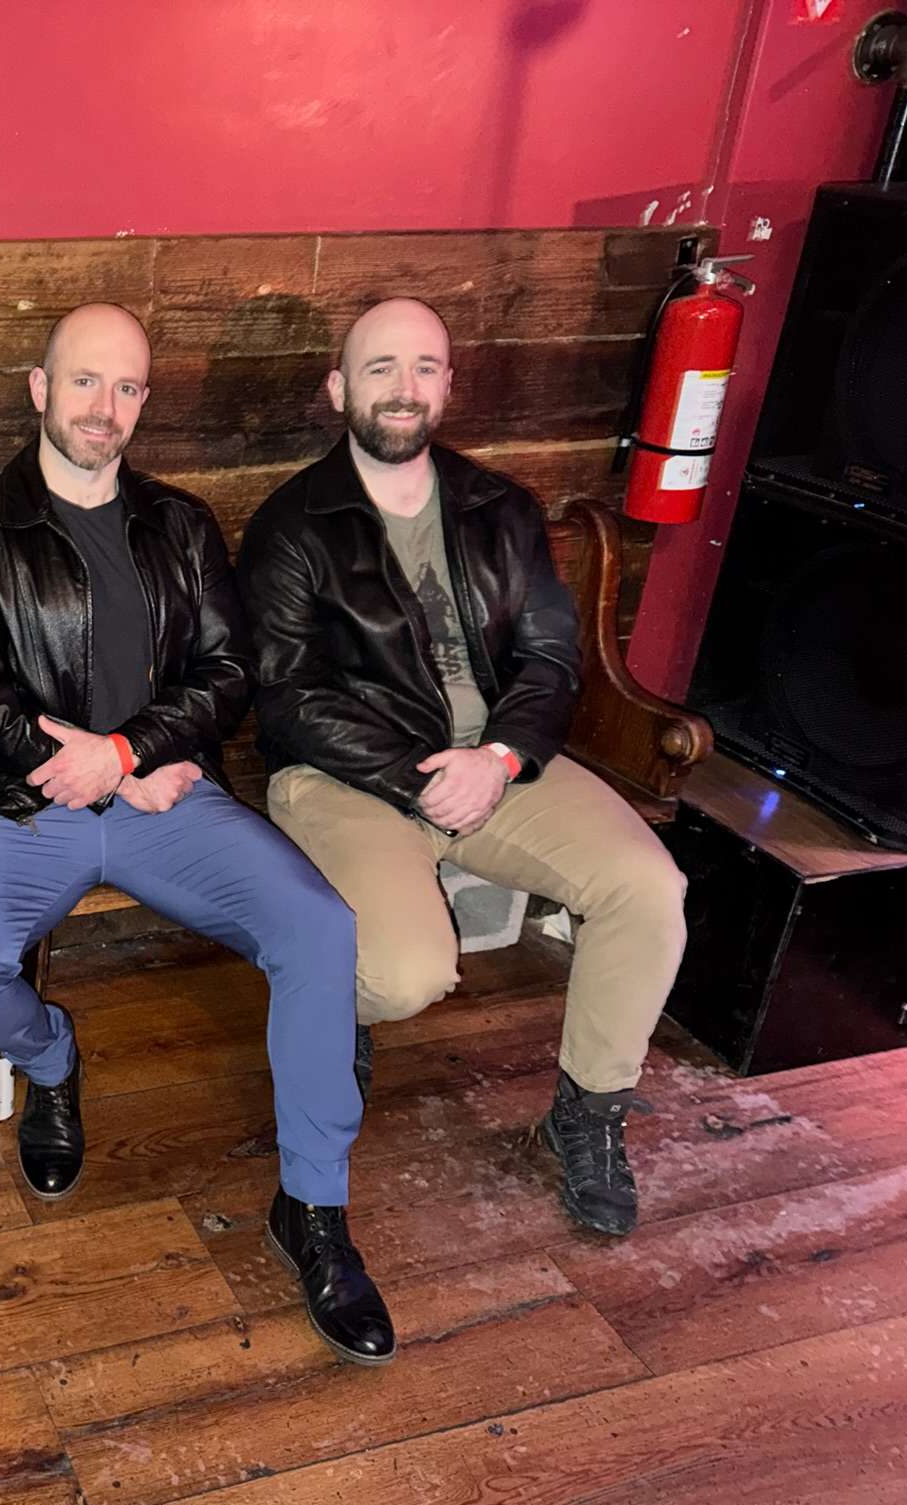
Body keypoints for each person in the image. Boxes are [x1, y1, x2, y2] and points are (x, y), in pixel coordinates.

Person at [0, 302, 395, 1367]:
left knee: (319, 930)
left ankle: (311, 1210)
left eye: (126, 387)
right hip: (29, 806)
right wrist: (86, 765)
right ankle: (51, 1059)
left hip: (167, 803)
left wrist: (127, 755)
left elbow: (228, 674)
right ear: (39, 391)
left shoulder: (178, 525)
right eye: (83, 382)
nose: (104, 408)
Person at [235, 297, 688, 1237]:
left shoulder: (501, 509)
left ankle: (587, 1115)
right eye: (380, 368)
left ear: (449, 383)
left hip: (496, 764)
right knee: (403, 975)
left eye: (425, 368)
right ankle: (334, 1004)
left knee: (650, 888)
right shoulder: (294, 525)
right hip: (347, 774)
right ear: (338, 389)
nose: (404, 389)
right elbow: (286, 696)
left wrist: (500, 755)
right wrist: (420, 779)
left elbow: (552, 660)